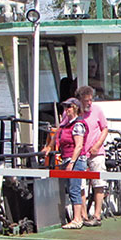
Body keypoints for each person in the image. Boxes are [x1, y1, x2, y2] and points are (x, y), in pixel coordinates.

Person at [44, 97, 88, 229]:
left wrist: (72, 162)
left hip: (76, 161)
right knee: (71, 188)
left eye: (68, 107)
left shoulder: (78, 125)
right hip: (66, 158)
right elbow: (56, 134)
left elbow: (79, 146)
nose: (66, 110)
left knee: (75, 188)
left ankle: (77, 219)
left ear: (75, 108)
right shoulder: (65, 124)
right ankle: (77, 217)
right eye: (65, 107)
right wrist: (49, 147)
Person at [76, 84, 108, 226]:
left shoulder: (97, 111)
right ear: (80, 100)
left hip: (96, 152)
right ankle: (83, 215)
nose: (89, 103)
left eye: (91, 100)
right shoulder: (75, 112)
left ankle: (97, 214)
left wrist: (97, 145)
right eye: (86, 100)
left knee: (99, 183)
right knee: (81, 184)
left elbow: (105, 129)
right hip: (80, 153)